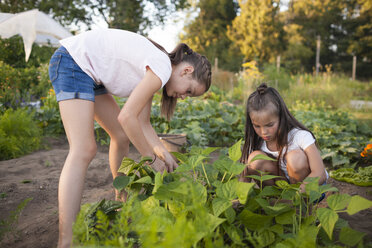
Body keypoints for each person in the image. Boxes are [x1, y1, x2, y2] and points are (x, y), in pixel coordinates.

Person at [48, 28, 211, 248]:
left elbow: (142, 123)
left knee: (120, 136)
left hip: (88, 72)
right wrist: (151, 159)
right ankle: (66, 241)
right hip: (72, 63)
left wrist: (162, 152)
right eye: (189, 91)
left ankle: (121, 201)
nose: (183, 97)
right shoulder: (162, 67)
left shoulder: (156, 69)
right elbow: (127, 117)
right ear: (186, 71)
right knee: (83, 149)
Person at [239, 83, 328, 190]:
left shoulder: (300, 136)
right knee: (255, 159)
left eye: (270, 125)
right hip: (282, 187)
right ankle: (278, 201)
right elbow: (244, 179)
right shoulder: (256, 141)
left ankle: (301, 204)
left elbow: (320, 174)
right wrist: (238, 200)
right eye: (257, 126)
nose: (263, 132)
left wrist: (298, 195)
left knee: (295, 158)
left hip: (311, 188)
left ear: (281, 117)